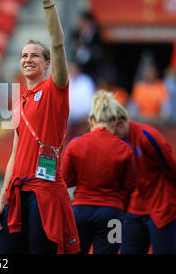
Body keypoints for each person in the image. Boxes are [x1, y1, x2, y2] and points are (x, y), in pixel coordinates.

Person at [0, 0, 80, 254]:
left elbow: (57, 43)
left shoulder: (56, 90)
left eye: (34, 56)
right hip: (17, 193)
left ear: (47, 64)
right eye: (23, 55)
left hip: (44, 192)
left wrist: (47, 2)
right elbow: (15, 154)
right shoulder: (20, 102)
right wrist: (2, 200)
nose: (28, 59)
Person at [61, 90, 136, 254]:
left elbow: (65, 180)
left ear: (91, 121)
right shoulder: (125, 148)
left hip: (80, 212)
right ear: (114, 122)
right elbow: (129, 186)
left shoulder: (75, 144)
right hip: (113, 215)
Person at [113, 99, 176, 254]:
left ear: (121, 123)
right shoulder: (108, 142)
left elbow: (171, 168)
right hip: (130, 211)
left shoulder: (148, 136)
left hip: (160, 207)